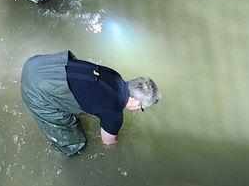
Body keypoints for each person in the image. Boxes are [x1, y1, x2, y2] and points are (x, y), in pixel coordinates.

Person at [20, 50, 160, 156]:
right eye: (142, 107)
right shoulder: (114, 113)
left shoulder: (115, 76)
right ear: (135, 100)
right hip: (35, 90)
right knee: (76, 145)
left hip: (40, 64)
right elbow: (108, 144)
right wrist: (115, 154)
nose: (138, 109)